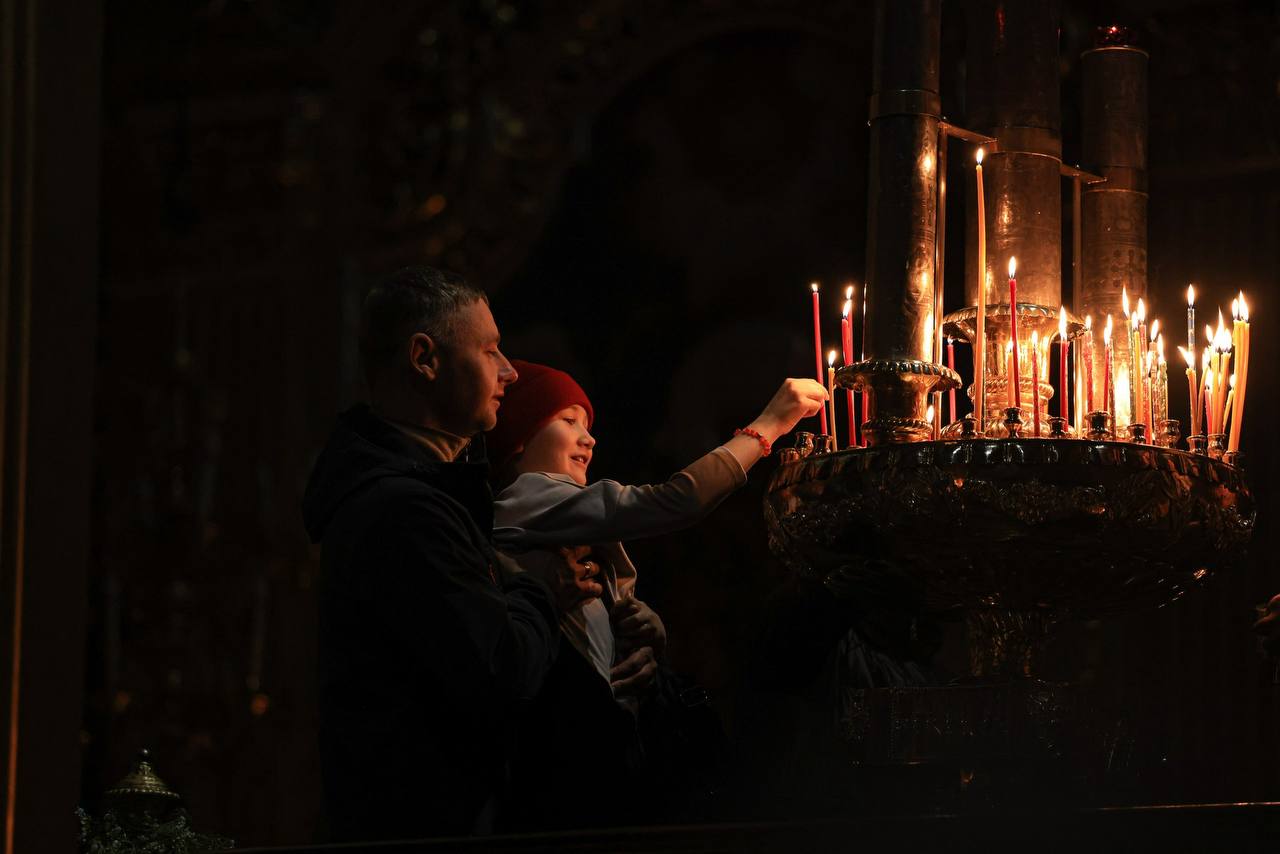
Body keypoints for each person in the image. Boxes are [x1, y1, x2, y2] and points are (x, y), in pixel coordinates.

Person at [302, 267, 600, 841]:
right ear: (424, 358)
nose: (510, 371)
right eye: (490, 351)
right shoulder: (404, 513)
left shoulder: (435, 496)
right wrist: (539, 585)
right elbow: (504, 670)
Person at [484, 360, 827, 829]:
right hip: (567, 763)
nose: (589, 439)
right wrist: (767, 427)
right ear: (520, 438)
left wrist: (642, 627)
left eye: (588, 426)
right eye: (567, 421)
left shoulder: (561, 523)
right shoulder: (527, 496)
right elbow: (674, 501)